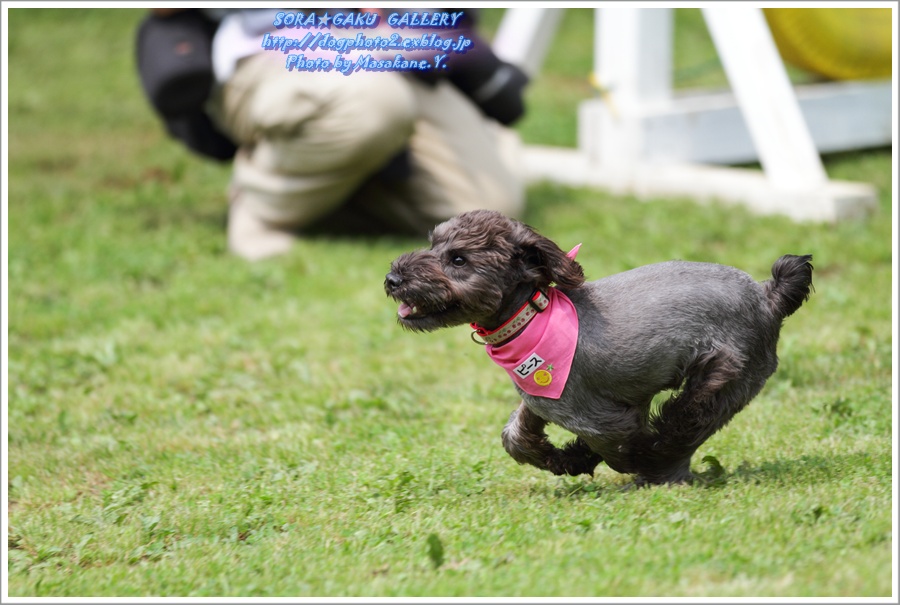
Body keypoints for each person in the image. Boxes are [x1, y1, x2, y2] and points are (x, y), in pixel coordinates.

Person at [148, 8, 528, 260]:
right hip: (273, 48)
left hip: (396, 46)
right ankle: (262, 208)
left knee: (488, 209)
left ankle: (336, 174)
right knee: (374, 103)